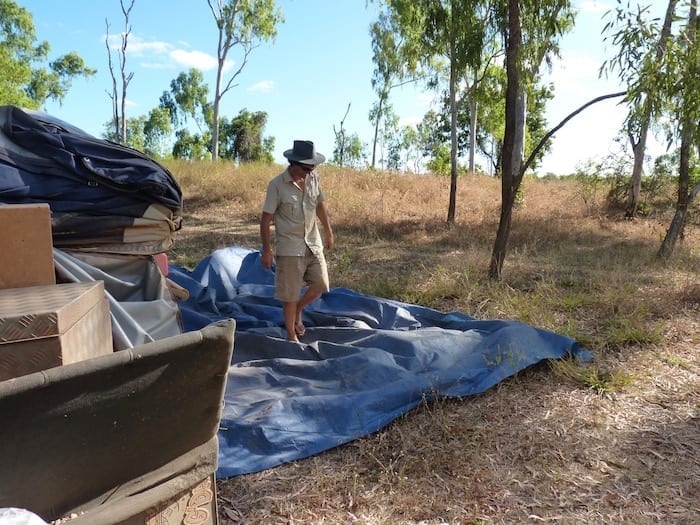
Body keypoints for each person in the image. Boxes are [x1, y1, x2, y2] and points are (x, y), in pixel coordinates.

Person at [260, 140, 334, 342]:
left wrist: (328, 231)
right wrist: (266, 250)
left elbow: (320, 205)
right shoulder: (277, 185)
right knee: (290, 295)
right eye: (305, 169)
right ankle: (291, 336)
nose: (309, 173)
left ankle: (299, 311)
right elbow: (266, 219)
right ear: (292, 164)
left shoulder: (313, 179)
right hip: (289, 247)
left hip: (313, 243)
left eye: (313, 168)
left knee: (321, 284)